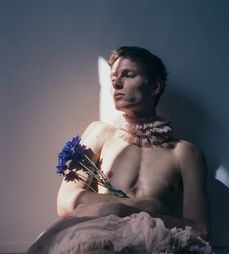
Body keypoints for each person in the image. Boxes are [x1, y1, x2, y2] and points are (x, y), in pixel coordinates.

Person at [30, 47, 211, 254]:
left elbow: (200, 230)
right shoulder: (100, 133)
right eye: (114, 77)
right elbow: (66, 203)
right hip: (98, 237)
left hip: (154, 243)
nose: (116, 83)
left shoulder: (185, 152)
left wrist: (123, 210)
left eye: (129, 75)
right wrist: (134, 207)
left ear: (155, 86)